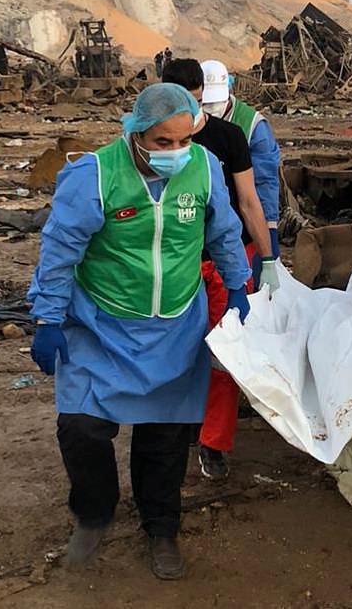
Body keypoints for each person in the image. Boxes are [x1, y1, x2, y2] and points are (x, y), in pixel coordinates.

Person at [26, 83, 250, 581]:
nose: (173, 152)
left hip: (174, 325)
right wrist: (47, 317)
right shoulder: (95, 176)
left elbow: (224, 232)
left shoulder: (204, 169)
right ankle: (93, 513)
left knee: (167, 438)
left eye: (182, 141)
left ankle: (161, 525)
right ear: (135, 132)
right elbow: (60, 251)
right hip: (99, 325)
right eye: (161, 142)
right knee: (81, 428)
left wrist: (238, 286)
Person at [161, 58, 279, 480]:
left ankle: (212, 441)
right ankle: (178, 429)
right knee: (174, 354)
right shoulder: (147, 144)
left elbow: (248, 203)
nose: (195, 117)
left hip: (226, 260)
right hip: (172, 266)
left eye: (197, 104)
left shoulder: (228, 138)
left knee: (224, 356)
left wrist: (269, 259)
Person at [199, 59, 281, 264]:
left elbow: (264, 182)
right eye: (205, 103)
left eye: (215, 103)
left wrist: (268, 230)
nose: (211, 109)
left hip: (241, 223)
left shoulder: (252, 126)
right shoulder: (191, 122)